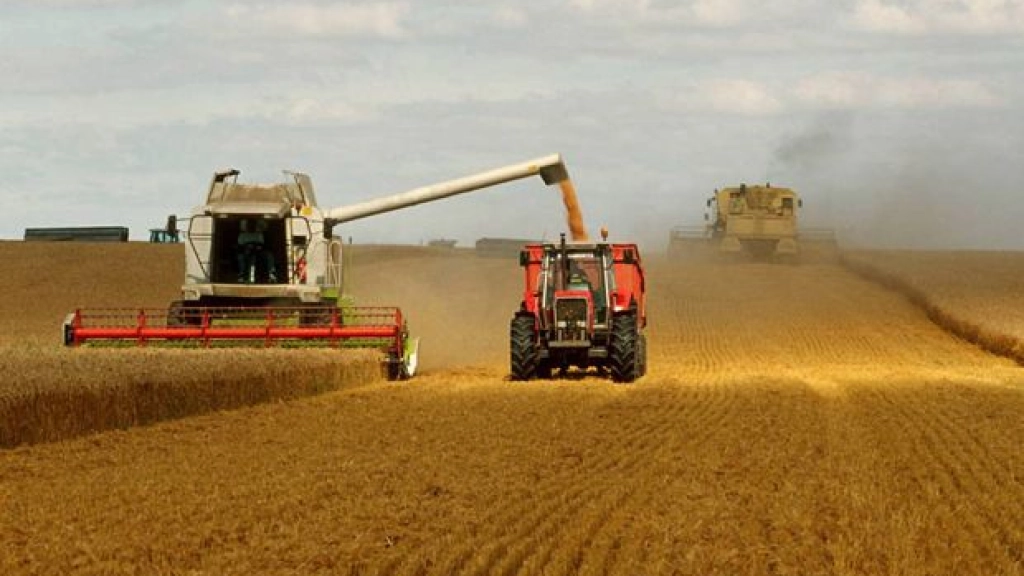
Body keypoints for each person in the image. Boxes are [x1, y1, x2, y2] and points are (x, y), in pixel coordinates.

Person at [237, 219, 277, 283]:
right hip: (245, 252)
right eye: (249, 225)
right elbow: (239, 246)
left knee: (269, 255)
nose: (251, 227)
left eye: (252, 225)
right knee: (240, 257)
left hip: (257, 253)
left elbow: (262, 245)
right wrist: (246, 248)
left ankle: (272, 274)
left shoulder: (259, 234)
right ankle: (241, 275)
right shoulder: (242, 235)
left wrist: (257, 247)